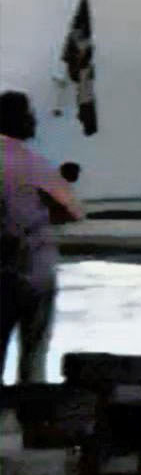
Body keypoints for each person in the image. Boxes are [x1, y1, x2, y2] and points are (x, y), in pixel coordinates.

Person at [1, 92, 85, 384]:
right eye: (30, 114)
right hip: (34, 270)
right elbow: (73, 211)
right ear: (19, 120)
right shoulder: (32, 163)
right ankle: (31, 420)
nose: (35, 120)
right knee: (34, 355)